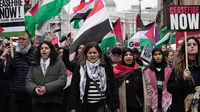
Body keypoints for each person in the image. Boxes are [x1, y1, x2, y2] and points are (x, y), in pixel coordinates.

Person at [69, 42, 119, 112]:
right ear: (86, 54)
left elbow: (113, 87)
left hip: (102, 104)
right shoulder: (80, 68)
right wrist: (73, 107)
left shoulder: (106, 68)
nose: (92, 55)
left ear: (98, 54)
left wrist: (116, 105)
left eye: (94, 52)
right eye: (90, 53)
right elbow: (74, 88)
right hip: (85, 105)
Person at [26, 41, 67, 112]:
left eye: (46, 48)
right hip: (38, 103)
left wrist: (46, 88)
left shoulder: (59, 63)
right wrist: (34, 88)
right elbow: (28, 81)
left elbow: (62, 80)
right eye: (41, 48)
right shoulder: (34, 64)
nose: (44, 50)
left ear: (51, 50)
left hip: (54, 103)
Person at [7, 30, 37, 112]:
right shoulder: (13, 52)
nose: (20, 41)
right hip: (15, 91)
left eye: (23, 39)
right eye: (19, 39)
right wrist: (10, 63)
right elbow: (7, 73)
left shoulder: (35, 52)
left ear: (28, 40)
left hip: (29, 91)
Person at [167, 37, 200, 112]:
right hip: (182, 107)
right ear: (184, 48)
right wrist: (182, 79)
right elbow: (170, 88)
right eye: (189, 45)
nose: (192, 46)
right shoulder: (177, 67)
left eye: (194, 44)